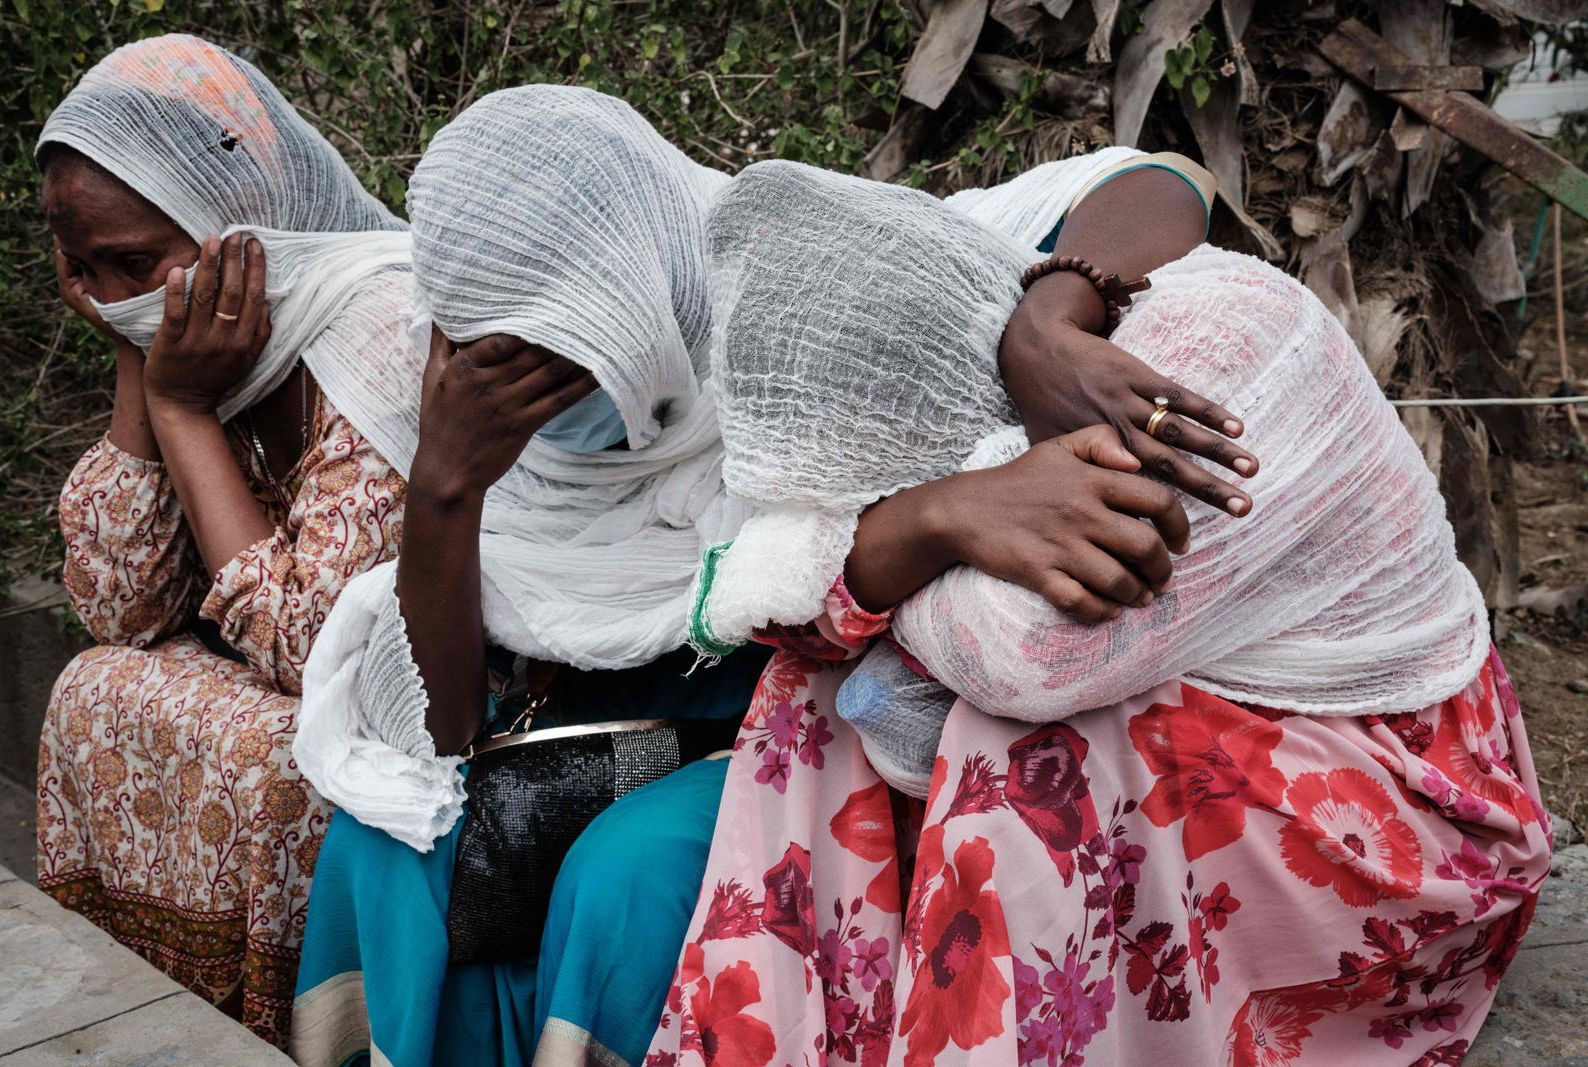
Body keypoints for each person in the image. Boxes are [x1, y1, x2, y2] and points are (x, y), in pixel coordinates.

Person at [289, 86, 1246, 1067]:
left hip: (816, 716)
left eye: (571, 342)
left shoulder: (789, 281)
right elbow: (444, 734)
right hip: (628, 731)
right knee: (385, 841)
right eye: (495, 351)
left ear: (643, 280)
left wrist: (1043, 328)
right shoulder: (476, 427)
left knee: (627, 877)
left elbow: (1162, 183)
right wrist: (447, 490)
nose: (531, 385)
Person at [650, 162, 1552, 1065]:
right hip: (1219, 711)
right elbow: (785, 605)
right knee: (812, 693)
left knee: (1024, 761)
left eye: (894, 485)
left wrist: (912, 531)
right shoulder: (1010, 355)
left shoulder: (1204, 366)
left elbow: (1027, 659)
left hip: (1404, 804)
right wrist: (940, 513)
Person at [35, 34, 423, 1046]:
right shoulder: (201, 339)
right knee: (94, 683)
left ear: (235, 215)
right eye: (82, 269)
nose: (113, 291)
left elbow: (314, 651)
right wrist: (142, 361)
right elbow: (122, 605)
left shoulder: (377, 323)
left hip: (427, 698)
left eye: (136, 263)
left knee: (274, 754)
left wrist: (184, 408)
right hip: (289, 668)